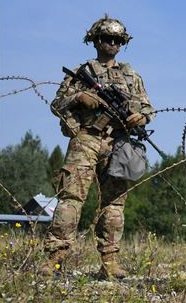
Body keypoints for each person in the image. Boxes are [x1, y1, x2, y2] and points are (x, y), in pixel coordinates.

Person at [41, 15, 154, 279]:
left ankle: (110, 263)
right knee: (70, 199)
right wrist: (80, 96)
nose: (112, 43)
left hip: (118, 141)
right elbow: (57, 104)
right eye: (106, 38)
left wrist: (141, 116)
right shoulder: (84, 72)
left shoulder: (131, 75)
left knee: (114, 204)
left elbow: (148, 107)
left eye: (117, 40)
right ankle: (55, 258)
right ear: (95, 40)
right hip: (86, 138)